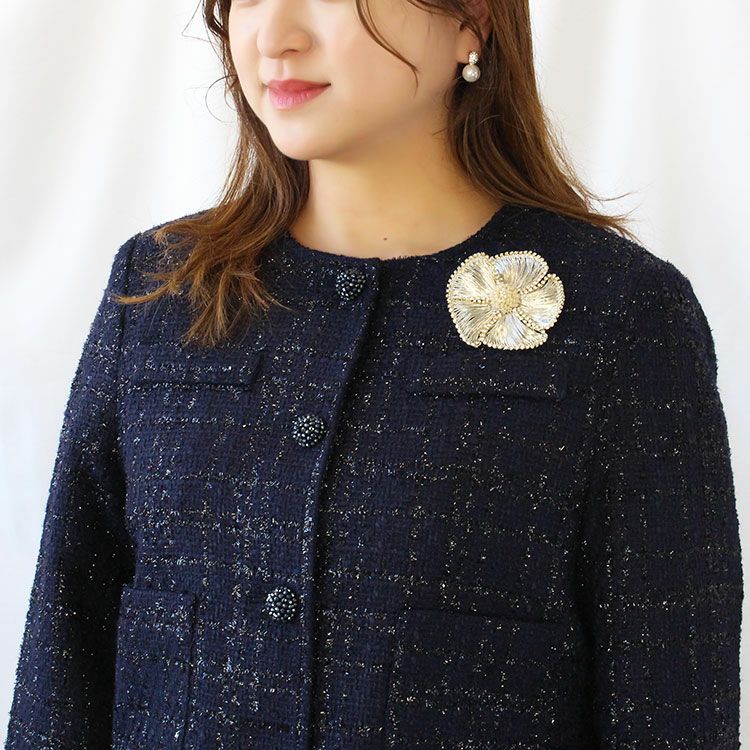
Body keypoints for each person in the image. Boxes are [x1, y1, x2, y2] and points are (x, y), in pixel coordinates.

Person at [5, 0, 742, 747]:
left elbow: (672, 703)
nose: (276, 38)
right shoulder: (160, 292)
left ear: (471, 19)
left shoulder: (620, 315)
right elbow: (61, 661)